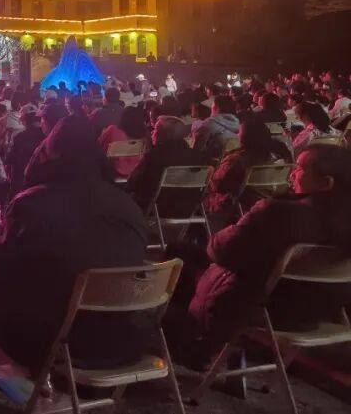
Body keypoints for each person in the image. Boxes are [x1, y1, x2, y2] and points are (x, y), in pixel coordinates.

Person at [0, 115, 149, 400]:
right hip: (122, 340)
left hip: (57, 342)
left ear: (50, 152)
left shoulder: (32, 203)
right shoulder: (128, 207)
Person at [177, 145, 351, 362]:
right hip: (319, 313)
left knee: (179, 256)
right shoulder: (339, 223)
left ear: (326, 183)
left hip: (263, 308)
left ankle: (195, 344)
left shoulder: (279, 213)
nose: (292, 174)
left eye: (300, 169)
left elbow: (220, 251)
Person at [205, 118, 293, 232]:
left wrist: (210, 174)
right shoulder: (281, 154)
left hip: (242, 205)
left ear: (244, 137)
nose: (237, 135)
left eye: (239, 132)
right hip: (274, 201)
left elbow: (218, 185)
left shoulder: (237, 160)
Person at [127, 116, 208, 217]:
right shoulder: (197, 156)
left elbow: (133, 182)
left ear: (165, 134)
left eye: (156, 130)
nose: (152, 133)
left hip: (157, 208)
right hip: (187, 209)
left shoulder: (154, 156)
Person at [98, 105, 149, 180]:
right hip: (137, 174)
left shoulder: (112, 130)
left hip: (113, 173)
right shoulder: (145, 136)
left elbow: (99, 147)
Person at [3, 111, 43, 199]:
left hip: (20, 178)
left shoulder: (20, 137)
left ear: (26, 123)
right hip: (40, 177)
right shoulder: (46, 136)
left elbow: (10, 158)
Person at [192, 94, 241, 163]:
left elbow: (197, 148)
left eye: (213, 104)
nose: (211, 106)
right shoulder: (239, 124)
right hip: (232, 163)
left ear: (217, 107)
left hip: (212, 164)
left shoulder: (209, 124)